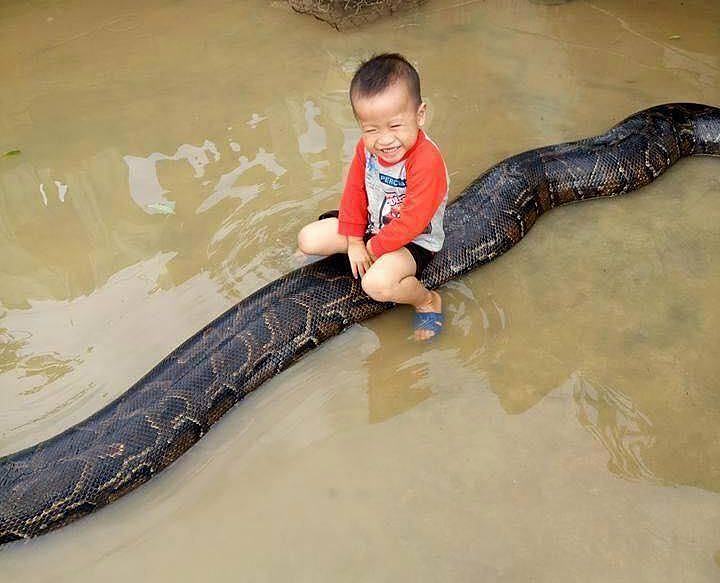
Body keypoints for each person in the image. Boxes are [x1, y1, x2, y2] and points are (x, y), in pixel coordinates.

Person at [297, 53, 449, 340]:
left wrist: (372, 250)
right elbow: (354, 191)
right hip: (372, 226)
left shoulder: (426, 161)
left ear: (420, 115)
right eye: (371, 129)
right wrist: (355, 241)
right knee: (308, 240)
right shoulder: (366, 149)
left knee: (376, 284)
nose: (384, 139)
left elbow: (413, 222)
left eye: (394, 126)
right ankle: (353, 250)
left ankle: (427, 301)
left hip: (413, 240)